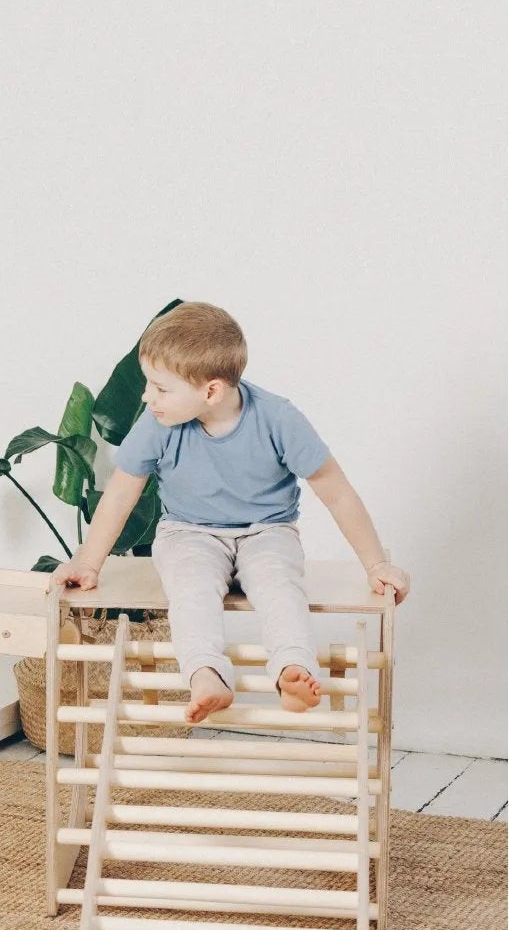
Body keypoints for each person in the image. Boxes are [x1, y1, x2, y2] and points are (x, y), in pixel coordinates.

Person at [54, 303, 409, 724]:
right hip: (188, 532)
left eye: (161, 388)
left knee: (279, 586)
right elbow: (119, 494)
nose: (147, 397)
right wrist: (88, 563)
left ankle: (293, 668)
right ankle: (206, 674)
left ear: (211, 391)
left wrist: (376, 564)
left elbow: (337, 492)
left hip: (268, 532)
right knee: (191, 588)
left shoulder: (278, 418)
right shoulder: (156, 423)